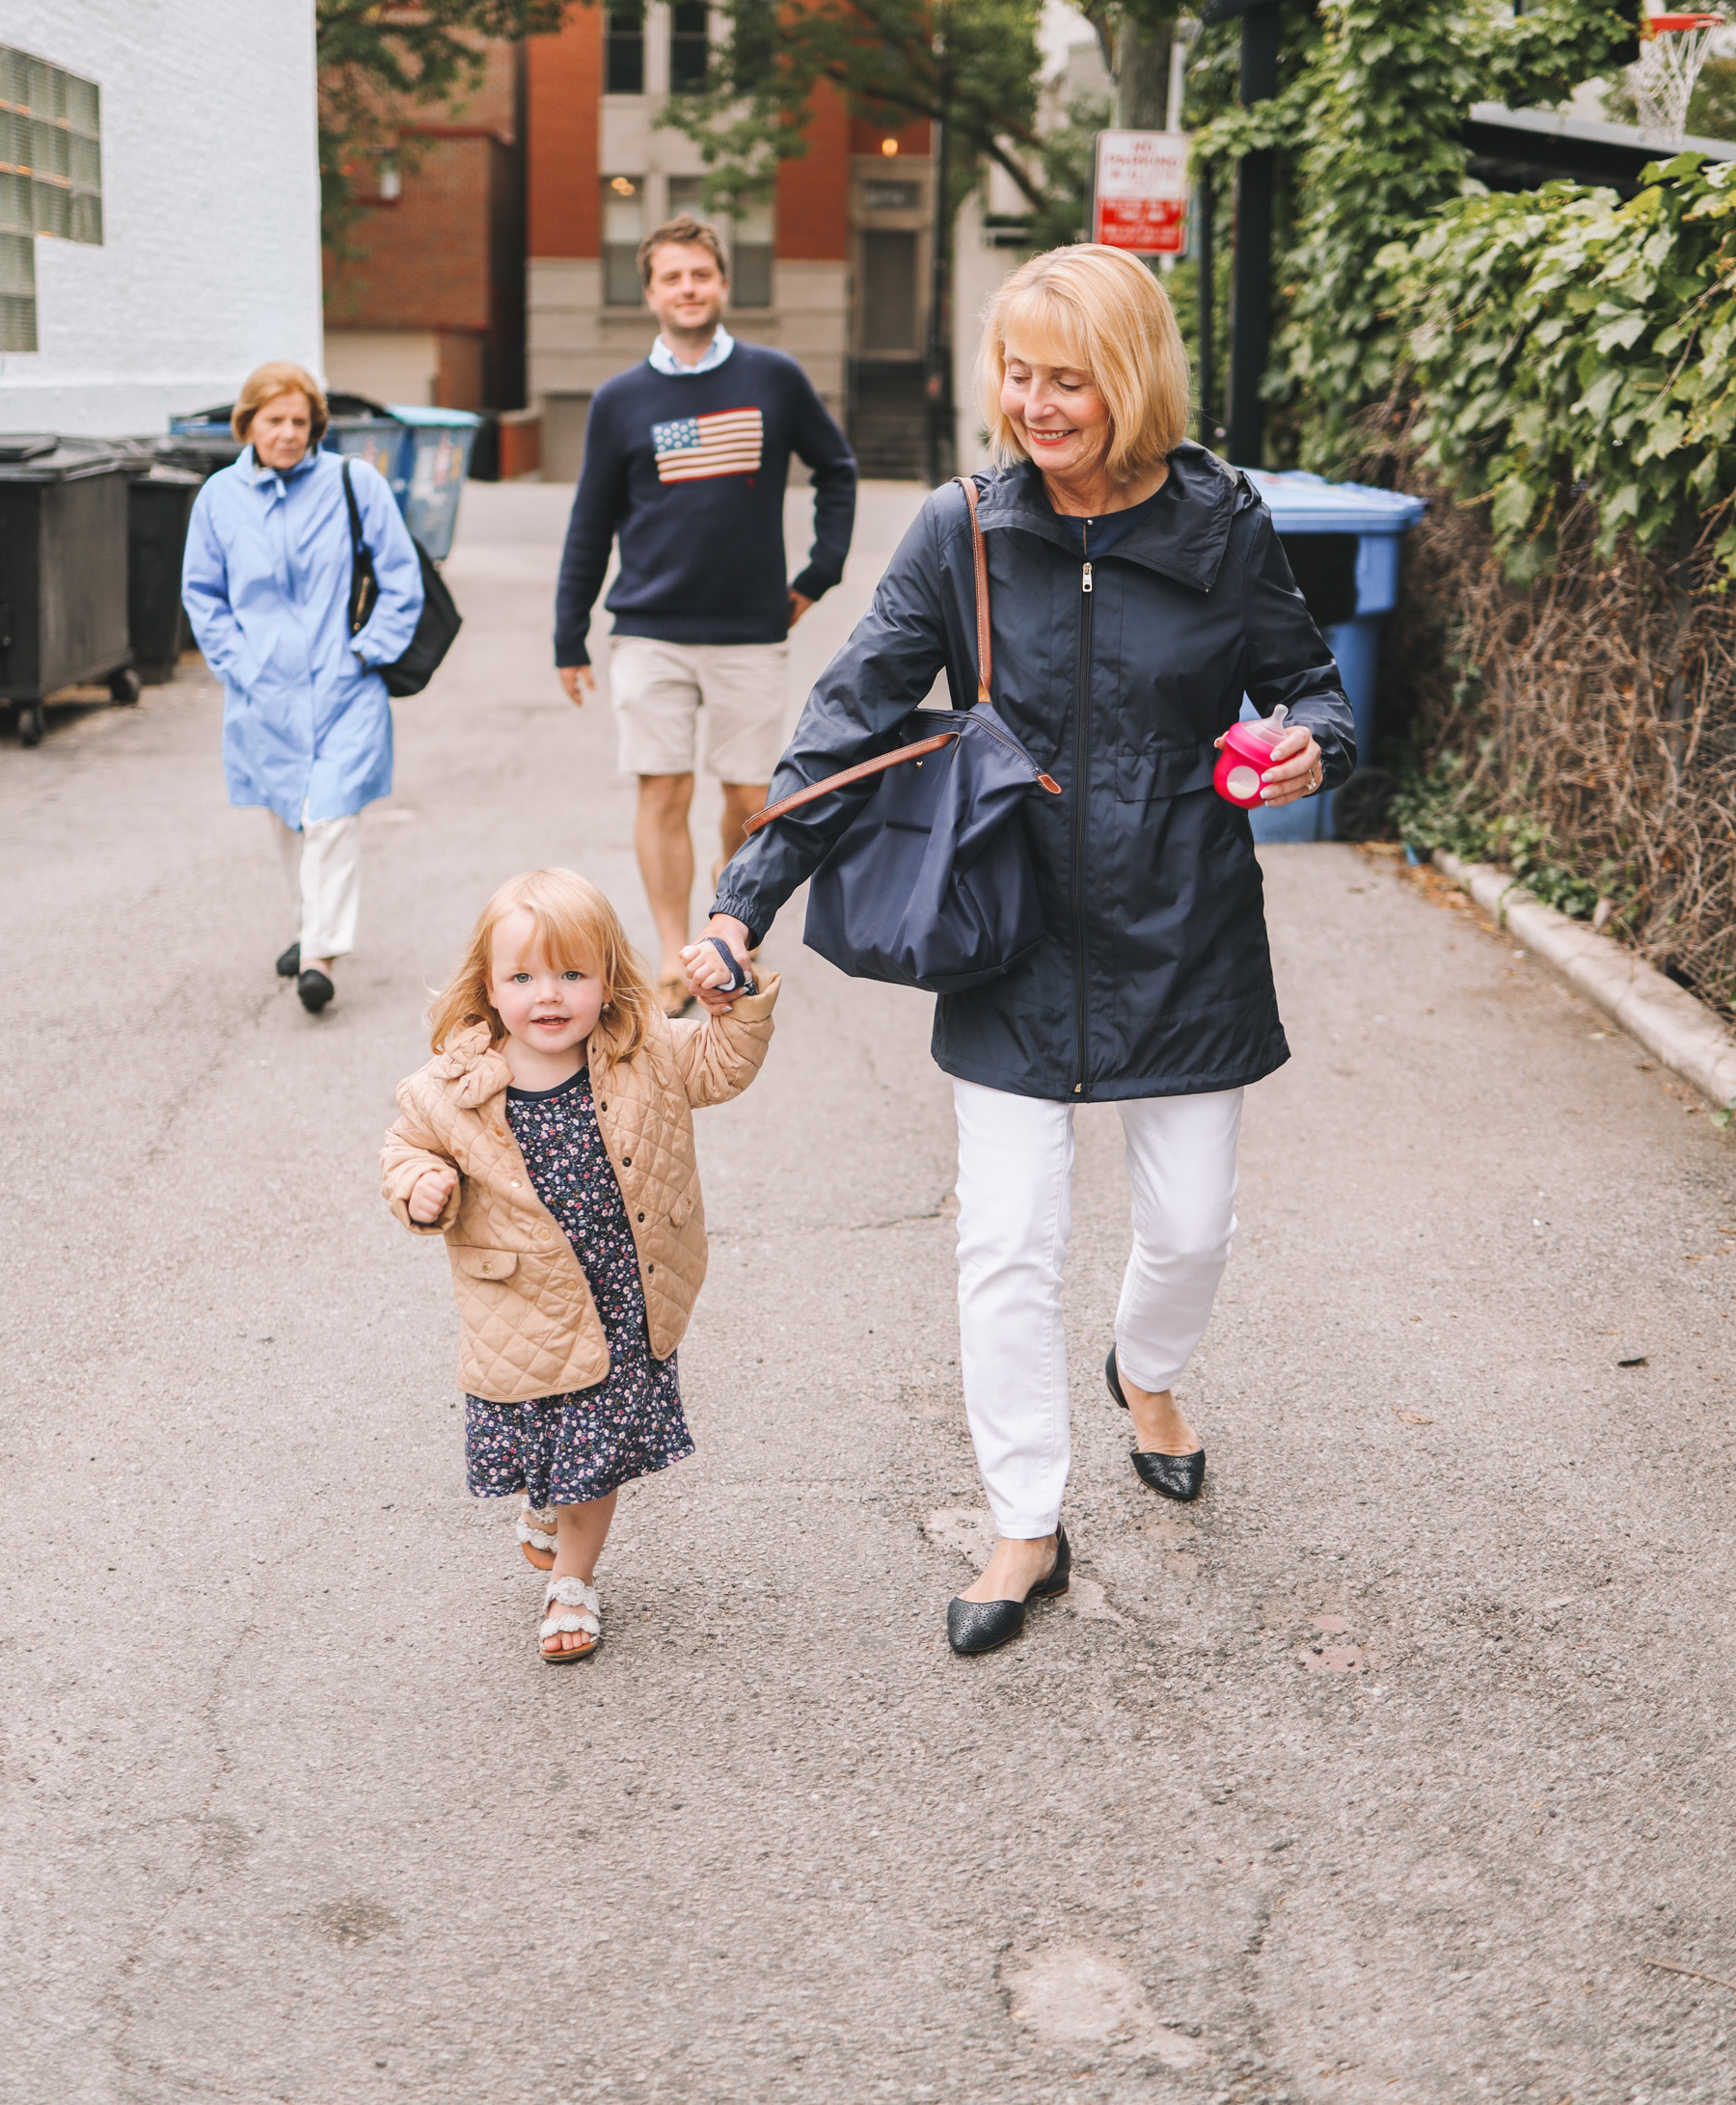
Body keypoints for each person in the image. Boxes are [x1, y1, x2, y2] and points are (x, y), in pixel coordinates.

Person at [682, 244, 1355, 1658]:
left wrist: (1313, 743)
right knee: (1004, 1244)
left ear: (1134, 379)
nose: (1037, 407)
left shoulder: (1225, 521)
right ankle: (1026, 1522)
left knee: (1188, 1233)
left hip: (1186, 928)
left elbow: (1307, 682)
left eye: (1071, 381)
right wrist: (747, 897)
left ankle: (1148, 1372)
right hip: (1011, 932)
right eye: (1020, 376)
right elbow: (853, 718)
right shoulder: (963, 530)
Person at [381, 867, 776, 1662]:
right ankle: (546, 1505)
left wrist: (733, 1003)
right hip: (520, 1306)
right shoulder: (450, 1088)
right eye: (522, 977)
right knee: (542, 1442)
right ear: (489, 989)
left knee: (591, 1451)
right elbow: (404, 1149)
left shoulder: (646, 1051)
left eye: (571, 974)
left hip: (625, 1294)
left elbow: (721, 1067)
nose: (548, 995)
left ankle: (572, 1584)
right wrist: (419, 1184)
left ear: (607, 979)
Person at [554, 213, 856, 1016]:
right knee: (662, 792)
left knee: (747, 797)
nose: (688, 289)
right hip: (649, 631)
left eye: (701, 274)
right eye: (671, 277)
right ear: (650, 292)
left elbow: (838, 469)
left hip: (750, 633)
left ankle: (729, 937)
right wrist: (567, 632)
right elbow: (590, 522)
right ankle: (668, 952)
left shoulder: (775, 379)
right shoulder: (620, 400)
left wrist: (820, 571)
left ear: (723, 284)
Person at [180, 361, 423, 1014]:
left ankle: (320, 955)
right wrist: (238, 663)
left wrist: (370, 651)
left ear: (316, 425)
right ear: (248, 424)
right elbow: (203, 595)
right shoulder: (218, 500)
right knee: (289, 816)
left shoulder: (355, 482)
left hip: (346, 685)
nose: (288, 433)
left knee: (332, 816)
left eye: (299, 421)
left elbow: (402, 578)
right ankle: (310, 924)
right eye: (273, 420)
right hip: (264, 694)